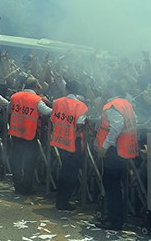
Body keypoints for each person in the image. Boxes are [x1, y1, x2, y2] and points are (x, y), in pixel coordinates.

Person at [94, 85, 139, 231]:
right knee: (117, 186)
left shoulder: (112, 106)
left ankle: (114, 221)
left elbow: (116, 127)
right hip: (125, 150)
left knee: (112, 187)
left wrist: (104, 146)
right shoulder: (126, 104)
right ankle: (117, 219)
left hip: (114, 151)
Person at [8, 77, 53, 195]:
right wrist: (49, 103)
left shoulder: (14, 97)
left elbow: (9, 110)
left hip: (16, 133)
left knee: (16, 161)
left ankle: (18, 187)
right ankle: (27, 188)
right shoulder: (36, 100)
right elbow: (48, 112)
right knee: (29, 163)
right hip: (29, 135)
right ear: (36, 87)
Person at [50, 80, 88, 211]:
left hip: (60, 141)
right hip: (73, 143)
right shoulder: (81, 106)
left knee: (64, 170)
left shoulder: (57, 102)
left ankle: (60, 200)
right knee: (70, 173)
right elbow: (80, 124)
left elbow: (53, 120)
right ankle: (63, 202)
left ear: (66, 89)